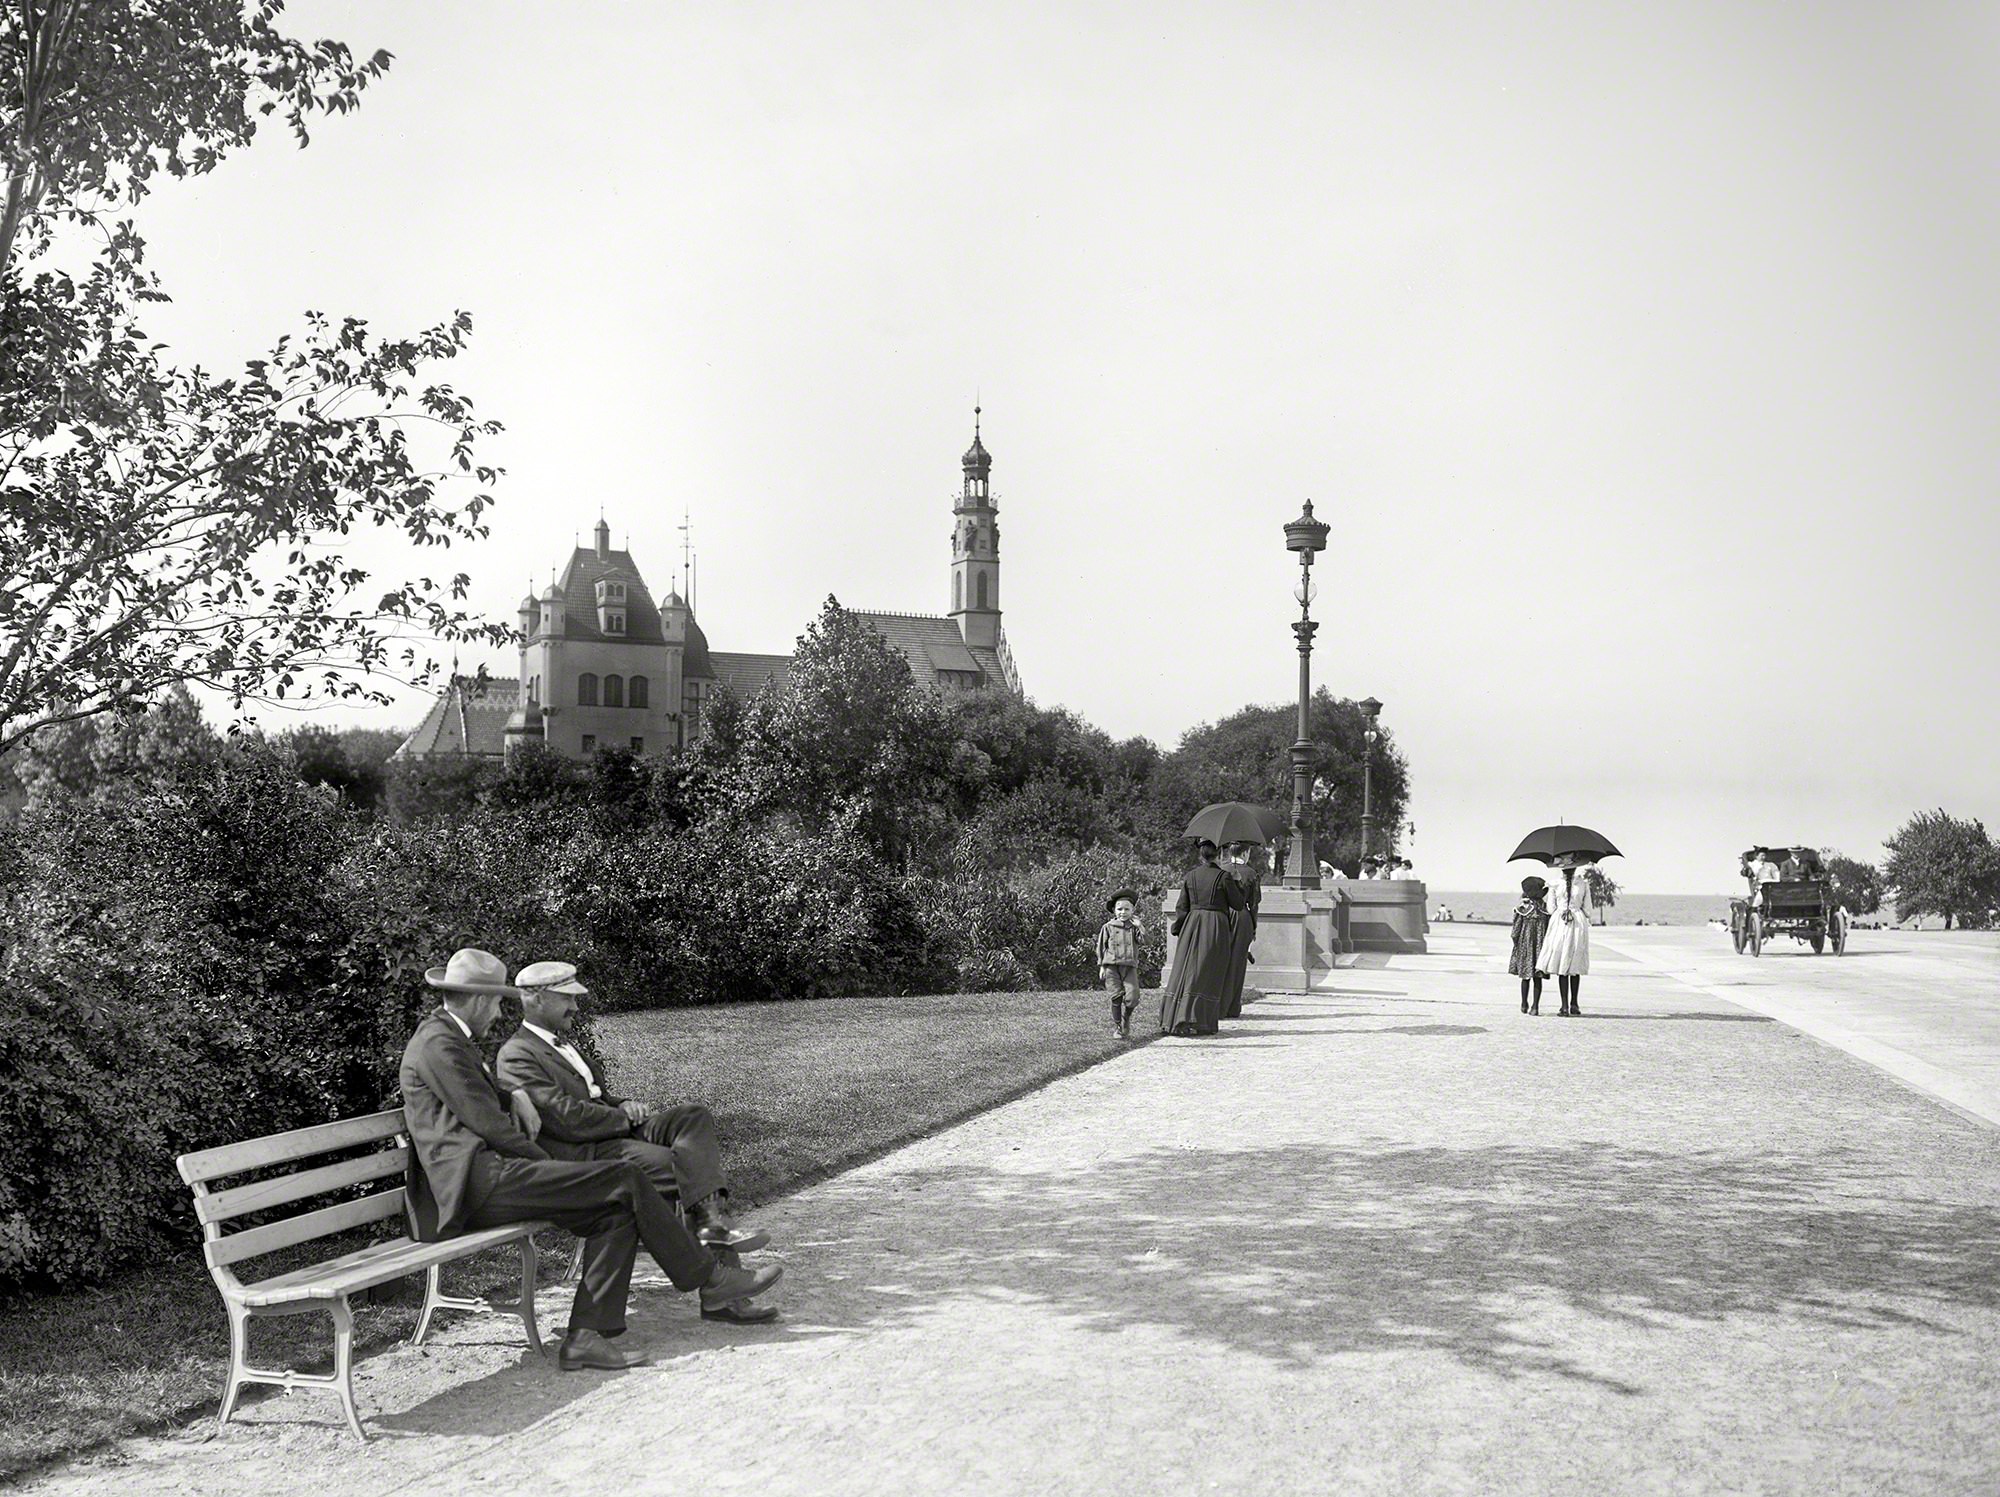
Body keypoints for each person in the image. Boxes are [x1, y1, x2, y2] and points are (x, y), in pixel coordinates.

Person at [400, 949, 781, 1371]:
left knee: (614, 1212)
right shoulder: (440, 1042)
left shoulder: (449, 1039)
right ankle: (709, 1279)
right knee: (626, 1179)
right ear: (476, 1000)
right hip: (475, 1184)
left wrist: (514, 1094)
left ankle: (586, 1336)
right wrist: (548, 1163)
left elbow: (479, 1095)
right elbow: (490, 1126)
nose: (496, 1014)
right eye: (495, 1003)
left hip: (488, 1177)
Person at [496, 961, 776, 1322]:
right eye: (567, 999)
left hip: (611, 1132)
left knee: (692, 1117)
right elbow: (565, 1119)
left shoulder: (562, 1044)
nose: (575, 1008)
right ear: (535, 1000)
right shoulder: (517, 1054)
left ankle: (712, 1228)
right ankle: (721, 1290)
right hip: (583, 1154)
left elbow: (593, 1099)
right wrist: (621, 1117)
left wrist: (621, 1105)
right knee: (688, 1167)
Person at [1157, 840, 1246, 1037]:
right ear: (1220, 855)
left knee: (1186, 970)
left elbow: (1182, 906)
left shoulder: (1191, 876)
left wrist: (1179, 927)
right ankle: (1199, 1021)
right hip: (1215, 926)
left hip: (1192, 923)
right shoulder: (1225, 877)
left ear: (1201, 855)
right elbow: (1238, 904)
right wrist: (1238, 881)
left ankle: (1176, 1017)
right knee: (1209, 972)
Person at [1536, 861, 1592, 1015]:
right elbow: (1587, 909)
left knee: (1562, 963)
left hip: (1560, 921)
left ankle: (1564, 1005)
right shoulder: (1583, 884)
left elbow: (1551, 908)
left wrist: (1563, 909)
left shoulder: (1554, 884)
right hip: (1577, 922)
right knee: (1574, 963)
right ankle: (1574, 1003)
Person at [1218, 842, 1263, 1021]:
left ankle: (1218, 1004)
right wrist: (1253, 927)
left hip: (1221, 915)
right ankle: (1232, 1006)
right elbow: (1254, 903)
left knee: (1220, 960)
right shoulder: (1251, 873)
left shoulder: (1221, 869)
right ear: (1245, 853)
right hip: (1241, 915)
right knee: (1237, 962)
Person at [1095, 891, 1146, 1040]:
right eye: (1119, 909)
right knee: (1116, 996)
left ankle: (1126, 1017)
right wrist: (1102, 966)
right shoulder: (1108, 927)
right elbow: (1101, 947)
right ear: (1114, 911)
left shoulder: (1134, 927)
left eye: (1127, 909)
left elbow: (1147, 941)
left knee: (1133, 997)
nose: (1123, 912)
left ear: (1133, 911)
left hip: (1129, 967)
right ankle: (1118, 1027)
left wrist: (1140, 926)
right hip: (1111, 967)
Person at [1509, 877, 1551, 1015]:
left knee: (1525, 976)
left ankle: (1524, 1003)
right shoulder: (1546, 909)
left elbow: (1515, 931)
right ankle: (1535, 1006)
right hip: (1541, 946)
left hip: (1525, 945)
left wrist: (1517, 946)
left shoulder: (1522, 908)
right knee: (1537, 977)